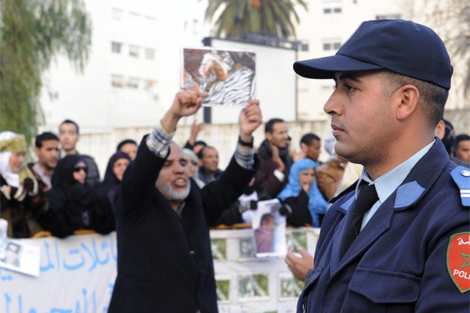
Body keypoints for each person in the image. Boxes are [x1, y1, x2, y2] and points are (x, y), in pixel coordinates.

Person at [286, 19, 469, 312]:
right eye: (336, 86)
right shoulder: (343, 210)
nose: (330, 104)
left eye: (350, 87)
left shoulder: (455, 216)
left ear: (405, 101)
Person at [108, 90, 262, 313]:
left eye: (183, 162)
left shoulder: (195, 202)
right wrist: (173, 116)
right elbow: (143, 166)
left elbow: (231, 183)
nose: (180, 169)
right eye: (168, 164)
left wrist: (246, 138)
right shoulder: (134, 204)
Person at [44, 155, 114, 238]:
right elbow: (59, 229)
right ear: (67, 171)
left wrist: (101, 201)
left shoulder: (90, 194)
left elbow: (105, 227)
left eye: (84, 169)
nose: (82, 173)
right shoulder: (55, 196)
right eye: (77, 169)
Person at [0, 131, 46, 238]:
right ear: (3, 156)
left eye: (23, 155)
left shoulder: (27, 175)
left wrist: (36, 195)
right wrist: (6, 195)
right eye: (17, 155)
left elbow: (44, 212)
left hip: (30, 242)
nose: (21, 160)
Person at [278, 158, 328, 227]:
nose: (309, 178)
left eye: (312, 175)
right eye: (305, 174)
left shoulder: (315, 194)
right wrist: (304, 193)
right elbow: (298, 218)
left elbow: (327, 210)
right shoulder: (287, 196)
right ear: (296, 175)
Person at [255, 118, 292, 198]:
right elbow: (262, 192)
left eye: (286, 132)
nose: (285, 136)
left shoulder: (288, 156)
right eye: (281, 133)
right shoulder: (259, 160)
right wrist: (279, 169)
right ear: (269, 136)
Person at [59, 119, 101, 187]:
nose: (66, 137)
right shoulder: (53, 163)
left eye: (71, 133)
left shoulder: (89, 163)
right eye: (62, 133)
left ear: (78, 137)